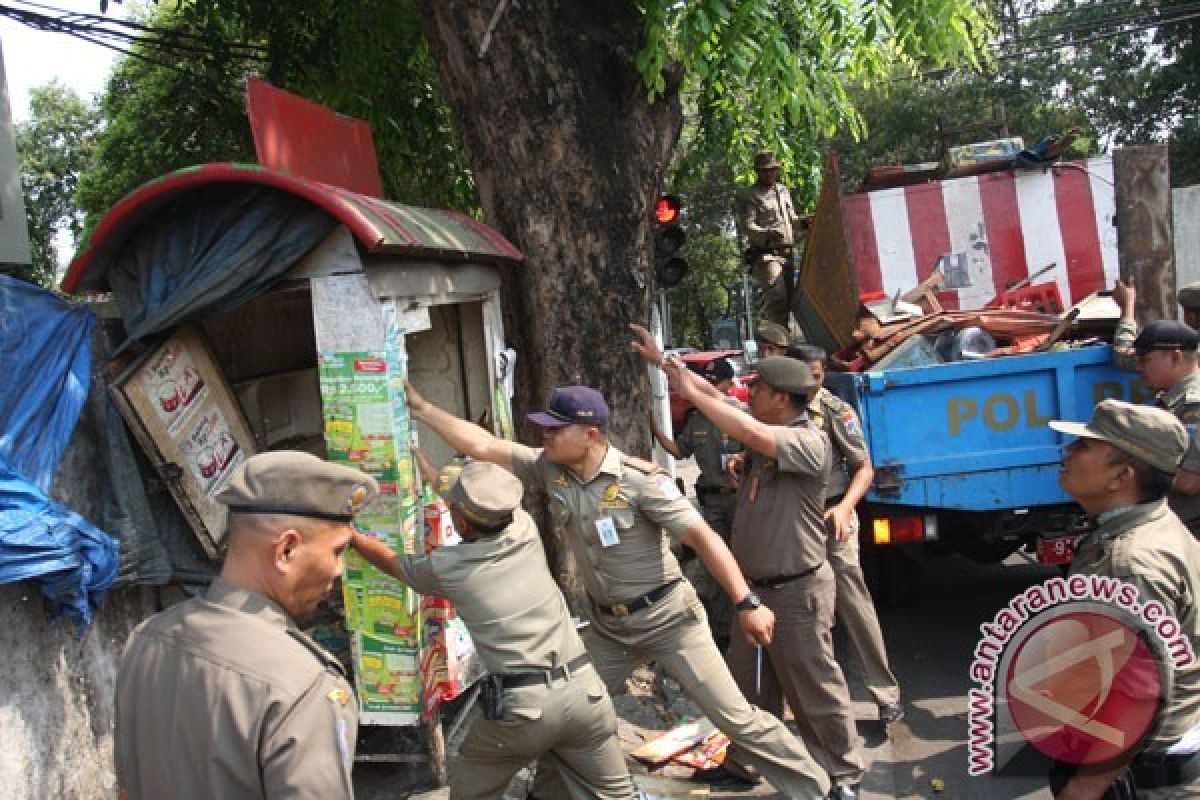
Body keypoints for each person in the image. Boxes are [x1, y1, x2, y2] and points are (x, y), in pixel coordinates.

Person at [404, 380, 830, 798]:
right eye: (545, 429)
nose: (545, 436)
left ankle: (819, 788)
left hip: (670, 621)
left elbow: (703, 537)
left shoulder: (640, 481)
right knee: (568, 710)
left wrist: (746, 601)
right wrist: (422, 408)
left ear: (590, 434)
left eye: (556, 429)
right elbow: (483, 446)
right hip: (608, 629)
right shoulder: (551, 469)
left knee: (737, 719)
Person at [632, 326, 866, 799]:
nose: (747, 391)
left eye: (755, 386)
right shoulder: (772, 430)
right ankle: (744, 764)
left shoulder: (806, 440)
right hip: (755, 592)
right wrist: (667, 364)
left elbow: (742, 426)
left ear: (781, 398)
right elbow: (712, 399)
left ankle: (843, 776)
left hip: (796, 589)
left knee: (814, 689)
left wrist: (711, 404)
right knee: (749, 689)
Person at [350, 460, 636, 800]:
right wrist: (425, 464)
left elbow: (395, 564)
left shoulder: (448, 567)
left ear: (459, 520)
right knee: (616, 795)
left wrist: (349, 535)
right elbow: (473, 505)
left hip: (524, 711)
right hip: (586, 693)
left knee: (470, 792)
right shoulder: (524, 529)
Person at [114, 451, 377, 800]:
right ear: (286, 550)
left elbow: (127, 789)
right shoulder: (302, 686)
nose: (339, 570)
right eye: (337, 552)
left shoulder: (148, 638)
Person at [1048, 399, 1200, 798]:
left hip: (1139, 775)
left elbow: (1140, 695)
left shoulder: (1131, 562)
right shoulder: (1151, 527)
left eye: (1083, 447)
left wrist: (1084, 787)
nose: (1068, 452)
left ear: (1120, 476)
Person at [796, 344, 903, 726]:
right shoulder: (778, 411)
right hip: (793, 523)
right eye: (805, 375)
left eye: (818, 375)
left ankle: (885, 693)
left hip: (832, 516)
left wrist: (844, 509)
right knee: (806, 610)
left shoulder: (835, 412)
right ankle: (820, 701)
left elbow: (864, 468)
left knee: (853, 604)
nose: (812, 382)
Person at [650, 356, 744, 648]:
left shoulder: (737, 413)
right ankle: (724, 631)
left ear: (729, 385)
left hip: (741, 502)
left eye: (718, 383)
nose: (713, 387)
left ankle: (753, 623)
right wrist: (654, 427)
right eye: (710, 381)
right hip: (713, 503)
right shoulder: (696, 419)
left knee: (746, 562)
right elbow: (679, 451)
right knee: (713, 565)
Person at [1111, 289, 1200, 538]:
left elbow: (1190, 481)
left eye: (1145, 361)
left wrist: (1134, 466)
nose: (1138, 369)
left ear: (1175, 357)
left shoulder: (1194, 405)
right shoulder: (1176, 395)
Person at [738, 151, 801, 327]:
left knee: (793, 301)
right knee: (777, 301)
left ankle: (786, 341)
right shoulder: (751, 196)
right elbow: (747, 226)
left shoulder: (783, 191)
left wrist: (807, 222)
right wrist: (767, 233)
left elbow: (793, 220)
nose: (770, 174)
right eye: (765, 170)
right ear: (758, 172)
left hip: (788, 254)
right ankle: (778, 345)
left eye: (773, 170)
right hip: (767, 256)